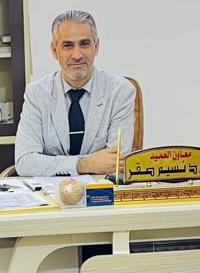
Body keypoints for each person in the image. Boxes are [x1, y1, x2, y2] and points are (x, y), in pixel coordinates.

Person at [13, 10, 136, 177]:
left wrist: (51, 164)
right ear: (54, 50)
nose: (77, 55)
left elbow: (115, 162)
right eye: (68, 45)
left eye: (84, 44)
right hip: (51, 191)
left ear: (96, 47)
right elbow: (25, 162)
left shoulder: (120, 91)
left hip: (102, 189)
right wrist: (83, 164)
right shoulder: (37, 94)